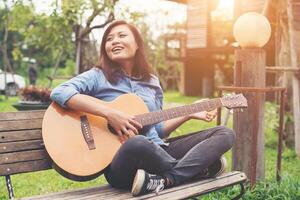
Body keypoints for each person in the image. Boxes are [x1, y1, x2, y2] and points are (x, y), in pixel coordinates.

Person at [50, 20, 235, 196]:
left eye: (122, 35)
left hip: (159, 153)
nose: (114, 41)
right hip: (123, 165)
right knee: (137, 142)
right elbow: (60, 91)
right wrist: (109, 113)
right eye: (109, 39)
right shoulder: (98, 76)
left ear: (137, 44)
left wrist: (188, 114)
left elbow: (157, 130)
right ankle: (195, 169)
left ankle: (166, 180)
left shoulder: (152, 82)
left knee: (225, 133)